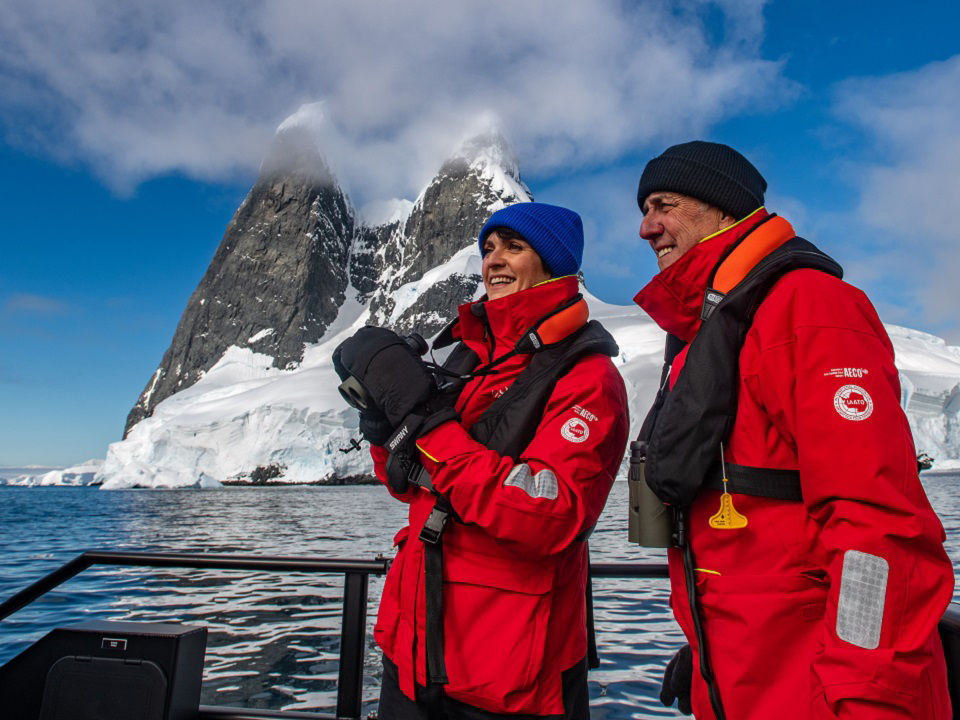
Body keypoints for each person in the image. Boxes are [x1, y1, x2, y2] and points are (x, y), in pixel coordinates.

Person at [631, 140, 954, 719]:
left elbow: (879, 529)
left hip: (822, 692)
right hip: (744, 674)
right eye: (644, 210)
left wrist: (866, 694)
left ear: (723, 209)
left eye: (663, 204)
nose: (646, 228)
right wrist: (706, 652)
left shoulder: (809, 307)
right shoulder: (714, 327)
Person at [333, 202, 629, 719]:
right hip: (415, 652)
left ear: (555, 266)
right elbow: (410, 484)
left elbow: (547, 515)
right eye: (489, 248)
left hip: (511, 670)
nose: (494, 260)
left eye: (514, 247)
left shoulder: (587, 378)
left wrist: (426, 420)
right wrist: (386, 429)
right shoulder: (470, 359)